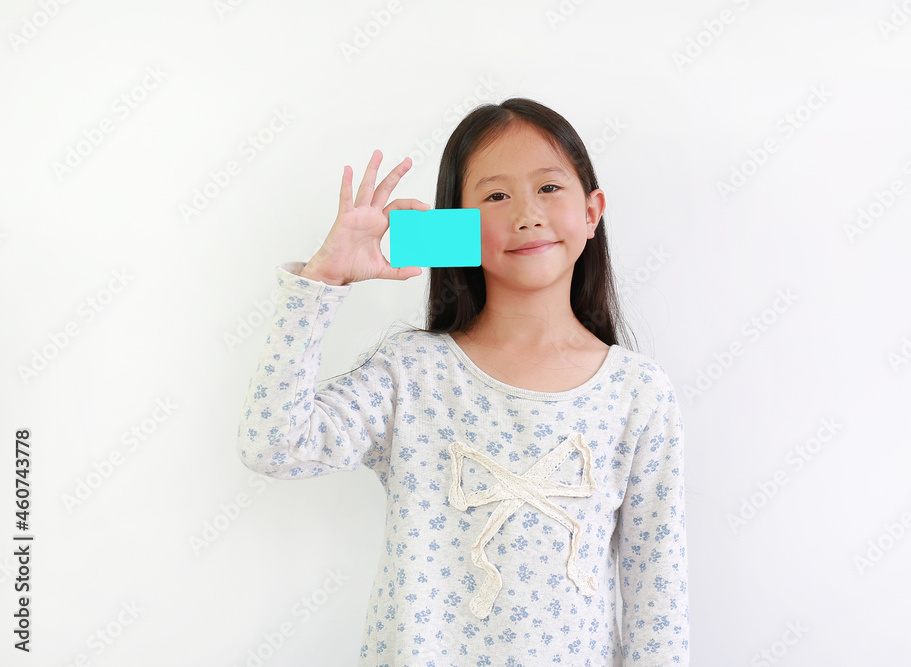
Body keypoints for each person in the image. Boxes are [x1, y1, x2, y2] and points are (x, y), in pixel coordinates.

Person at [236, 98, 688, 666]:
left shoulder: (638, 393)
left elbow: (658, 599)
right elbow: (273, 444)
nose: (527, 214)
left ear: (593, 211)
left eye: (549, 188)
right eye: (496, 195)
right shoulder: (413, 375)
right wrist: (324, 280)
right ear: (456, 228)